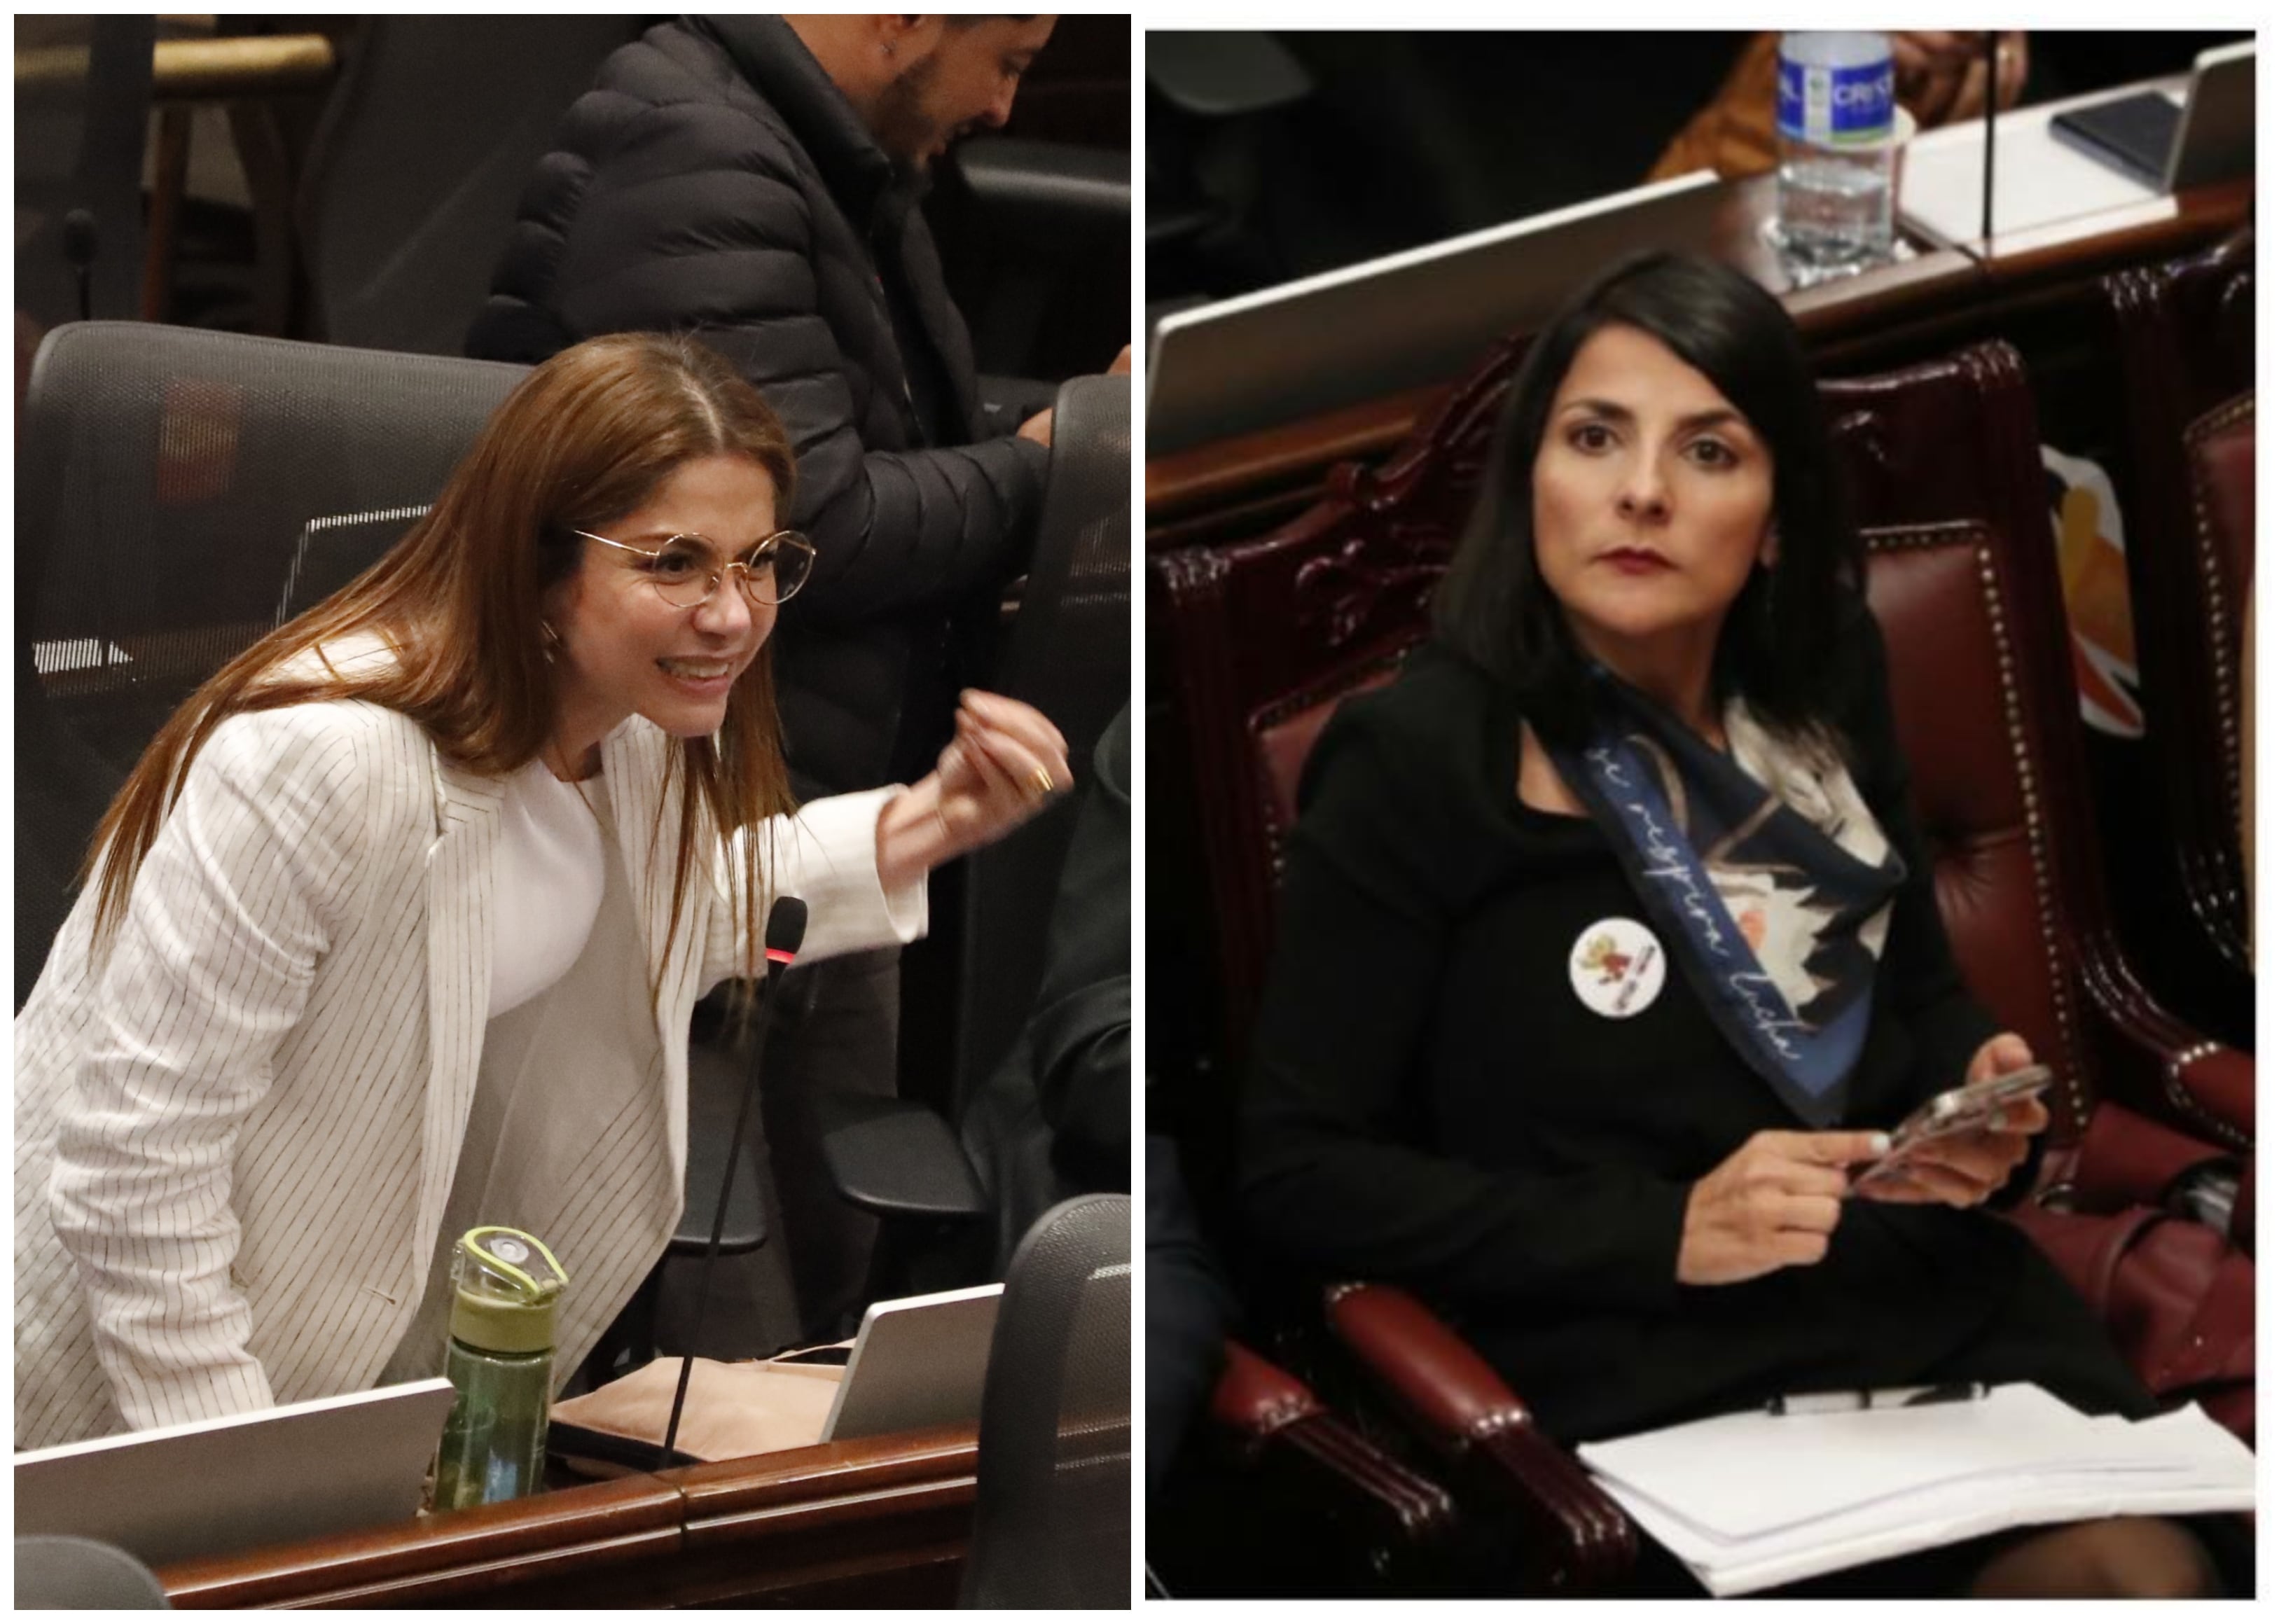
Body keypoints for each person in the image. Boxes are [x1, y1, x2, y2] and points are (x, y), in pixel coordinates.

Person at [1238, 251, 2234, 1597]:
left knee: (2149, 1576)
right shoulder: (1419, 760)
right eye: (1596, 438)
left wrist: (1977, 1105)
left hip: (1918, 1315)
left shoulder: (1821, 687)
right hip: (1636, 1362)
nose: (1641, 490)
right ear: (1533, 480)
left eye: (1708, 450)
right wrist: (1667, 1229)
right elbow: (1298, 1174)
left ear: (1773, 519)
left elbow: (1922, 997)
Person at [14, 333, 1072, 1450]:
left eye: (759, 560)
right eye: (674, 563)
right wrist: (251, 1501)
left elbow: (633, 909)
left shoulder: (630, 733)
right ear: (539, 572)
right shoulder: (322, 765)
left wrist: (923, 826)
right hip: (99, 1411)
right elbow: (133, 1177)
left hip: (340, 1384)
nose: (733, 614)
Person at [467, 14, 1123, 1341]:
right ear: (907, 19)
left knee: (834, 1306)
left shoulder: (813, 154)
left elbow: (846, 461)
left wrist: (925, 818)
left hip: (790, 803)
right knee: (734, 1343)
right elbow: (825, 525)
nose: (1006, 107)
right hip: (689, 797)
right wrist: (1058, 459)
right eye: (1007, 59)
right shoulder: (698, 156)